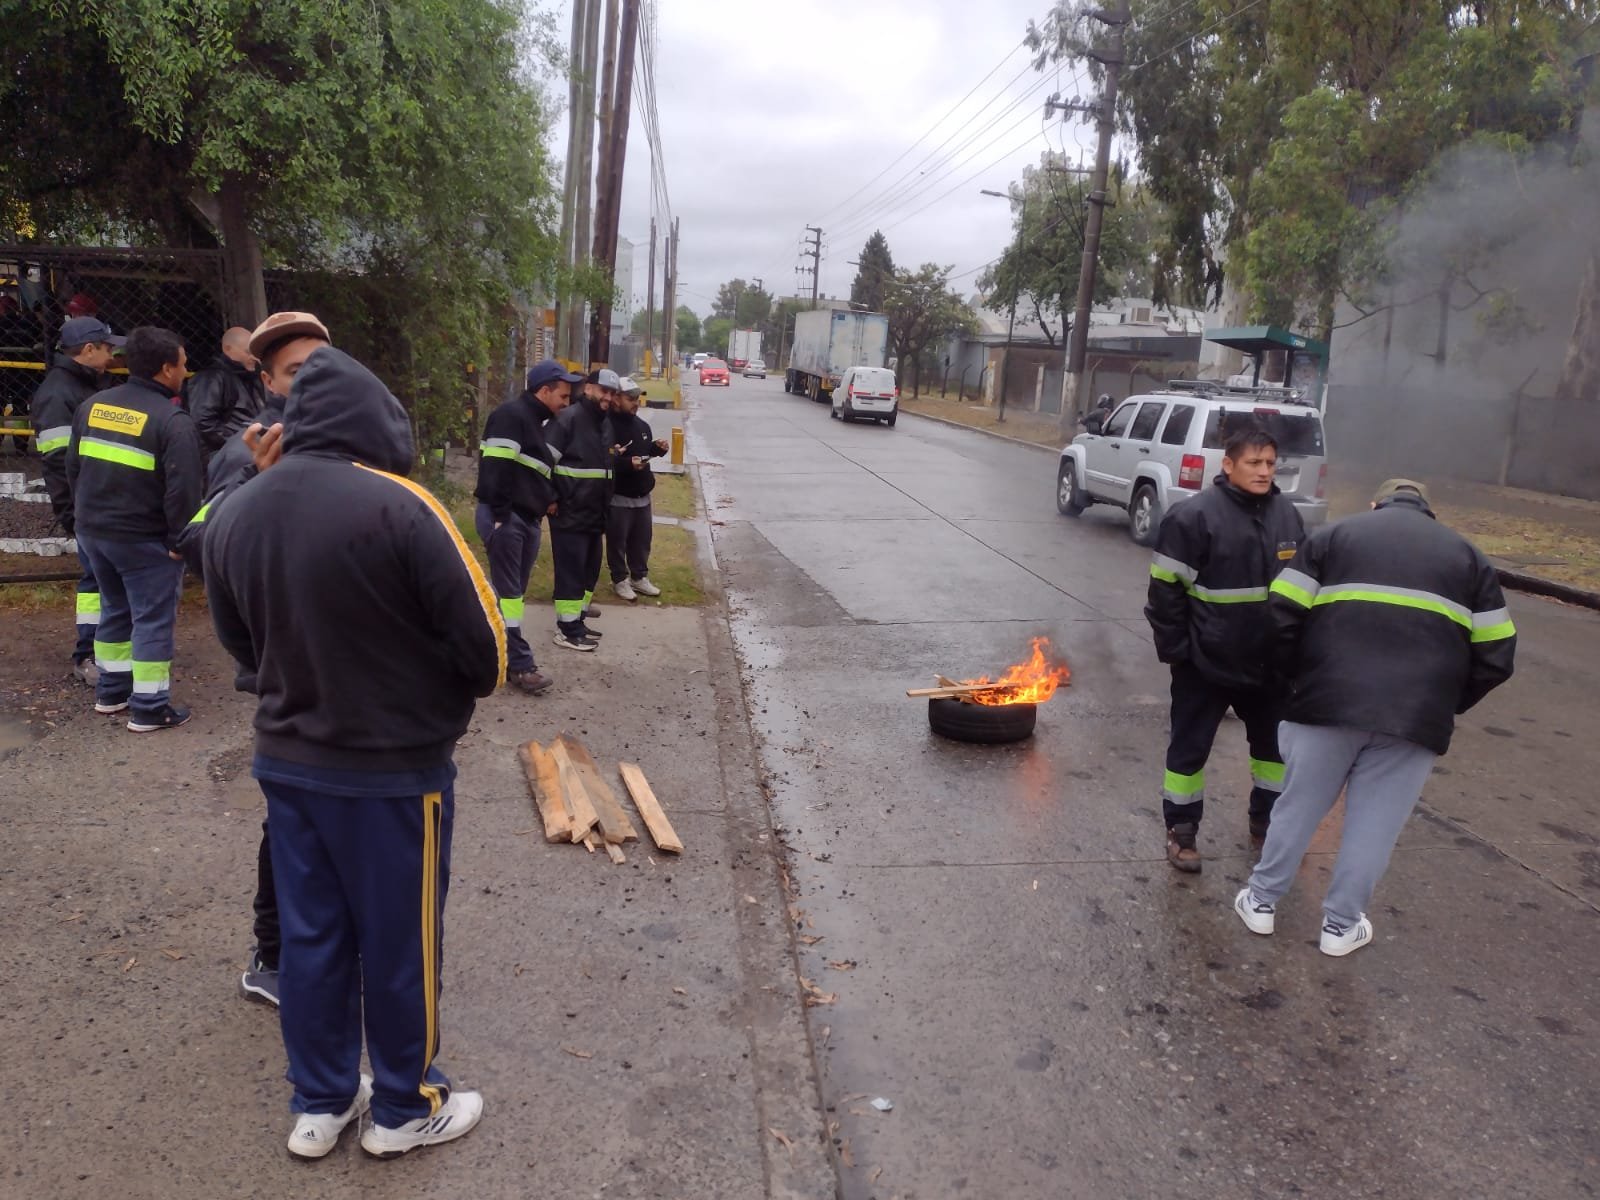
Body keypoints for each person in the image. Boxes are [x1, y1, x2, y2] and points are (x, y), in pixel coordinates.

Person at [203, 346, 504, 1160]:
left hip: (288, 764)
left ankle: (322, 1101)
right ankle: (405, 1106)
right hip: (393, 773)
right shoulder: (405, 508)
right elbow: (486, 652)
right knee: (401, 943)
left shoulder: (238, 508)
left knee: (311, 938)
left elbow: (240, 644)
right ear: (381, 424)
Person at [1235, 479, 1517, 956]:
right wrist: (1444, 702)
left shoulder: (1332, 538)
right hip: (1413, 720)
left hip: (1325, 703)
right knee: (1375, 825)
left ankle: (1261, 903)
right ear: (1429, 511)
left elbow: (1278, 616)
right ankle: (1340, 928)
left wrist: (1297, 682)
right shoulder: (1470, 558)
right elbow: (1497, 656)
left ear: (1375, 504)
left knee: (1298, 807)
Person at [177, 311, 332, 1008]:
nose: (310, 381)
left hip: (344, 667)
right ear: (266, 379)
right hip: (286, 674)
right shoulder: (249, 451)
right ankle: (269, 957)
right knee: (292, 820)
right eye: (295, 370)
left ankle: (325, 939)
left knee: (338, 817)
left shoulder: (346, 442)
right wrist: (263, 488)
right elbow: (204, 549)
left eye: (321, 366)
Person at [1145, 427, 1306, 872]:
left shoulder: (1287, 517)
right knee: (1189, 751)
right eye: (1254, 463)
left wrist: (1296, 652)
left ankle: (1266, 825)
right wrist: (1180, 653)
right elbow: (1164, 594)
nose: (1264, 471)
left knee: (1275, 755)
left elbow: (1303, 590)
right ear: (1228, 465)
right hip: (1206, 664)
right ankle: (1181, 832)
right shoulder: (1192, 518)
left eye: (1271, 463)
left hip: (1270, 666)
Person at [66, 326, 202, 732]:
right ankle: (149, 707)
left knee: (114, 609)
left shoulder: (92, 407)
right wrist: (181, 541)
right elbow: (184, 492)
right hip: (144, 541)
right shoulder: (172, 420)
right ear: (166, 369)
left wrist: (85, 519)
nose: (186, 369)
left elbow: (74, 469)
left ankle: (111, 692)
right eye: (183, 362)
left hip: (94, 534)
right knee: (152, 620)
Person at [474, 358, 583, 693]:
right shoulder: (512, 416)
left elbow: (533, 472)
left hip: (525, 519)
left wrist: (546, 499)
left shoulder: (536, 422)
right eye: (562, 396)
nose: (567, 403)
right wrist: (501, 517)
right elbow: (495, 469)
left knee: (510, 598)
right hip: (507, 518)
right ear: (544, 390)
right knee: (509, 597)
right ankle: (521, 667)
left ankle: (488, 655)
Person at [31, 315, 122, 684]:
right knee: (94, 583)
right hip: (88, 508)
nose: (112, 354)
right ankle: (88, 654)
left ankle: (105, 651)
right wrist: (71, 511)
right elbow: (57, 462)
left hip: (96, 504)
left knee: (101, 580)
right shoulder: (59, 393)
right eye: (106, 347)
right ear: (88, 350)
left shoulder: (79, 386)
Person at [545, 367, 621, 651]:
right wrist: (550, 498)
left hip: (595, 514)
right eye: (604, 391)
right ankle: (566, 631)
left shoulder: (605, 423)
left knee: (589, 571)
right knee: (570, 573)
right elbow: (543, 463)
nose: (608, 398)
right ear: (588, 388)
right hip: (569, 512)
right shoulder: (567, 419)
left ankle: (577, 621)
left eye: (612, 394)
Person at [607, 376, 668, 602]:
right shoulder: (606, 426)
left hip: (642, 495)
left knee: (642, 540)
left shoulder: (642, 426)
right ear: (615, 398)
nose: (635, 402)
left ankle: (639, 577)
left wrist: (656, 449)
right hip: (618, 496)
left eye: (637, 398)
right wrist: (625, 464)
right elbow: (603, 459)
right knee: (617, 541)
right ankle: (619, 579)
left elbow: (643, 454)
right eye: (629, 398)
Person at [186, 327, 266, 457]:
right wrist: (238, 443)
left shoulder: (250, 376)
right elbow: (203, 422)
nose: (253, 357)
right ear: (228, 349)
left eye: (255, 352)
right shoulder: (212, 378)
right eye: (248, 351)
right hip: (226, 456)